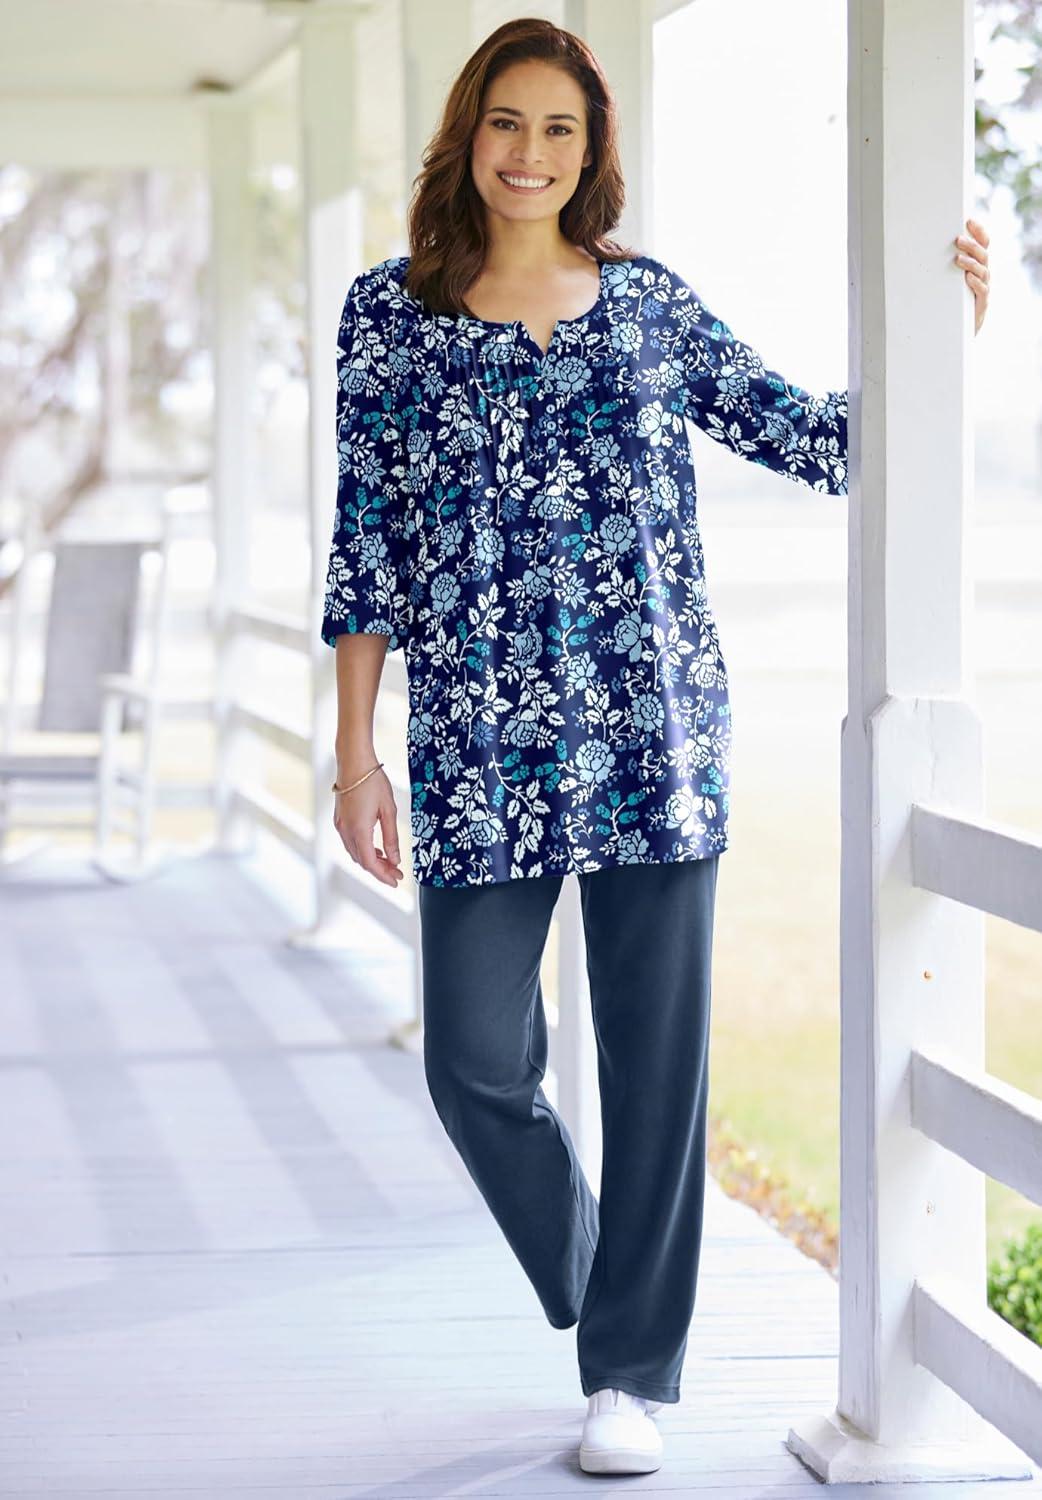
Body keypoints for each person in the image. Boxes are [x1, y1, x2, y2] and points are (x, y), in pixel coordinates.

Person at [320, 16, 991, 1478]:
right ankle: (599, 1273)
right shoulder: (390, 317)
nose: (530, 153)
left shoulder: (648, 308)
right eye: (507, 123)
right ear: (467, 134)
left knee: (655, 1072)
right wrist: (356, 755)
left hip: (653, 739)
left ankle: (628, 1374)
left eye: (559, 129)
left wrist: (948, 333)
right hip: (478, 750)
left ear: (593, 152)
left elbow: (821, 442)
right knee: (473, 1062)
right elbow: (365, 552)